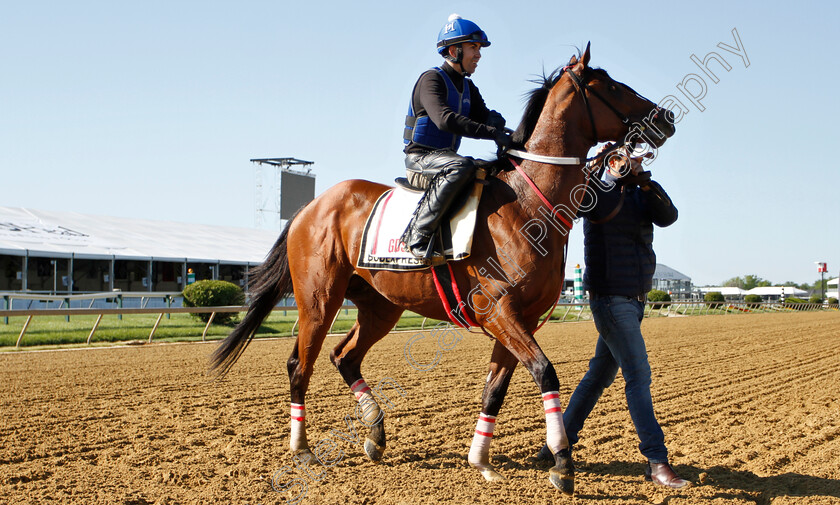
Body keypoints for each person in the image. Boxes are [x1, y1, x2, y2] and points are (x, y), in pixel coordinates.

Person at [539, 144, 690, 489]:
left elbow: (669, 216)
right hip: (611, 301)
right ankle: (657, 461)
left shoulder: (641, 192)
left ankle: (556, 445)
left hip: (635, 302)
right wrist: (610, 173)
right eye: (627, 157)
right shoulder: (595, 192)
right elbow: (589, 204)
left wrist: (644, 181)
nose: (635, 162)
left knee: (598, 377)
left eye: (636, 157)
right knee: (638, 376)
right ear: (611, 160)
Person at [400, 14, 512, 263]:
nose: (479, 54)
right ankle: (416, 235)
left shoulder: (468, 88)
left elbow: (484, 119)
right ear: (454, 50)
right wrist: (491, 132)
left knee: (483, 168)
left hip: (444, 161)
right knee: (462, 165)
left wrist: (505, 131)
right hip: (420, 160)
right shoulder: (430, 80)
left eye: (479, 48)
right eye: (474, 47)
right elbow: (445, 120)